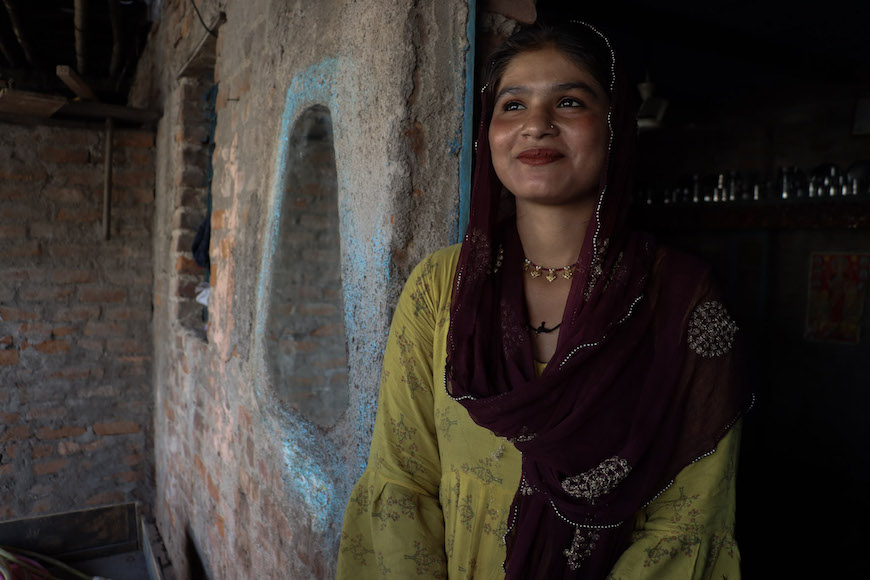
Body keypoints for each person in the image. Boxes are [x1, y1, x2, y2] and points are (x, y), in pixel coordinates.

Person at [337, 20, 752, 579]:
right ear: (489, 133)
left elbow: (687, 526)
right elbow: (402, 481)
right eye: (512, 106)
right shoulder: (441, 288)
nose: (536, 125)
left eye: (570, 102)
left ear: (616, 126)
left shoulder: (679, 300)